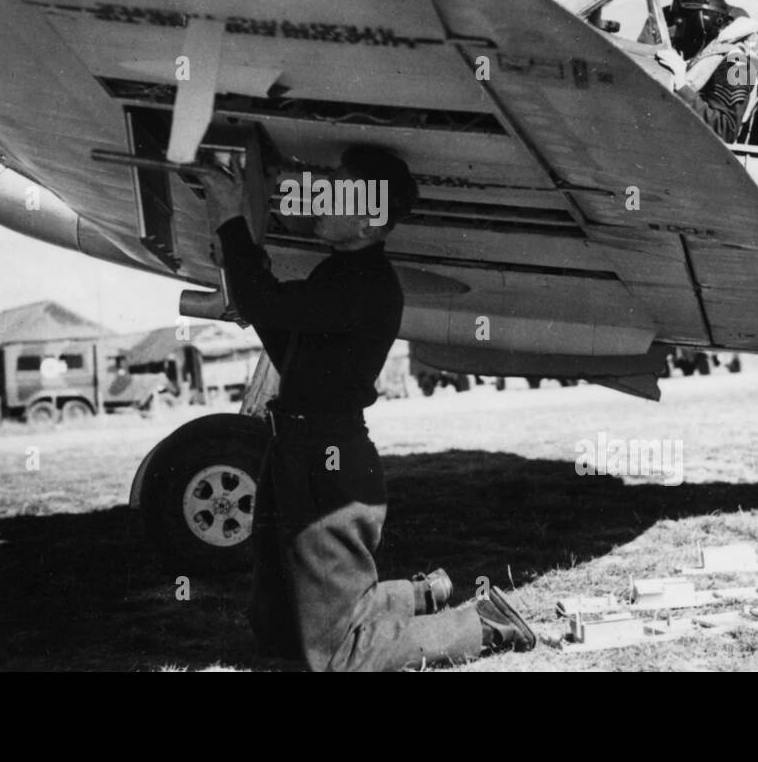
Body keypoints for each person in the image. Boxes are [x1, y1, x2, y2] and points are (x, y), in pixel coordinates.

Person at [199, 146, 537, 671]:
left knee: (339, 657)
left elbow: (271, 306)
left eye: (335, 194)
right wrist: (247, 272)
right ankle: (419, 595)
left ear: (366, 220)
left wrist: (230, 223)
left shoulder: (365, 284)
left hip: (324, 458)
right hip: (299, 446)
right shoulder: (341, 273)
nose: (318, 200)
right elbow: (286, 336)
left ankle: (481, 623)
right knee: (276, 625)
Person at [656, 0, 757, 143]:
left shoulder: (736, 64)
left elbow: (725, 130)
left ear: (700, 23)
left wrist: (682, 86)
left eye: (682, 21)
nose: (677, 29)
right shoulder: (700, 56)